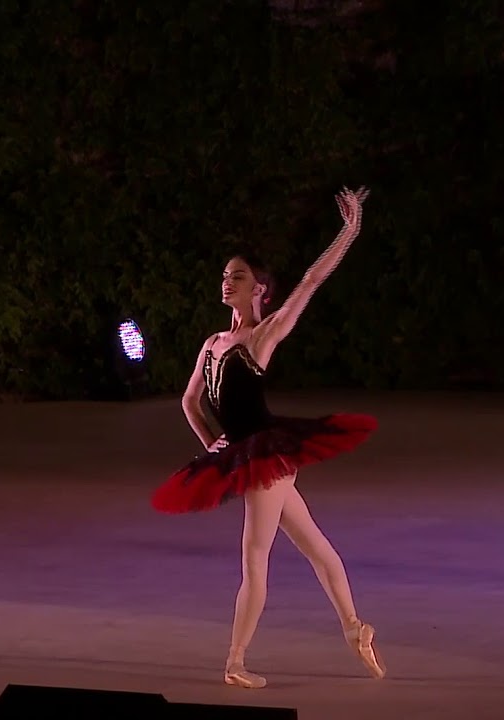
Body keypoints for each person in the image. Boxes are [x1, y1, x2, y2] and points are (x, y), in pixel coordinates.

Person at [151, 186, 386, 687]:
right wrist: (213, 445)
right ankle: (355, 628)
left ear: (260, 290)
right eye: (225, 275)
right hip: (245, 455)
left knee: (255, 558)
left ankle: (235, 662)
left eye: (238, 276)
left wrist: (350, 230)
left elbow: (311, 280)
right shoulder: (212, 344)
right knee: (316, 547)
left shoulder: (263, 336)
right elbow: (190, 402)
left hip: (268, 458)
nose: (227, 281)